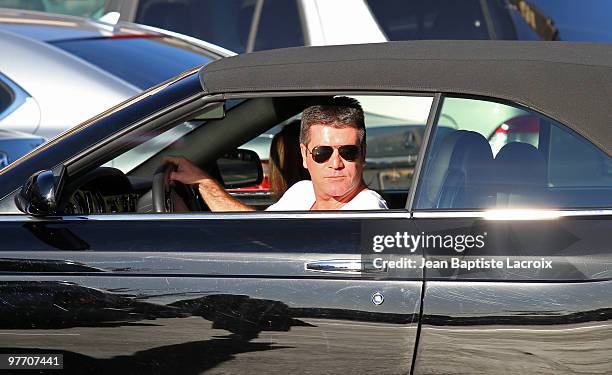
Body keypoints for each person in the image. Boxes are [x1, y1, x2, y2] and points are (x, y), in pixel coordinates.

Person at [166, 97, 388, 211]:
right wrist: (203, 183)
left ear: (363, 154)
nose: (336, 163)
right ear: (304, 154)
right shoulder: (302, 192)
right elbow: (257, 230)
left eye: (348, 152)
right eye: (322, 153)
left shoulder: (366, 211)